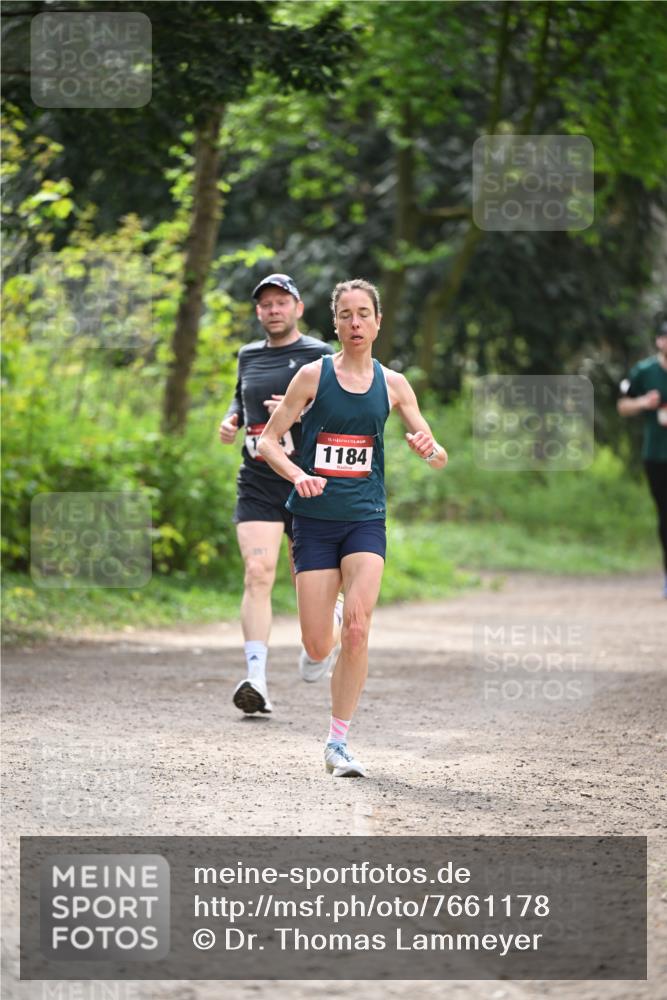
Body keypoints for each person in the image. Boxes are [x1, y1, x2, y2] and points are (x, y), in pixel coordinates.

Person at [258, 278, 448, 776]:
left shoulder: (394, 384)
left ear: (378, 322)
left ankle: (337, 744)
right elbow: (269, 443)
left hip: (365, 518)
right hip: (314, 523)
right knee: (320, 644)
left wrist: (431, 450)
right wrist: (299, 475)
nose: (355, 322)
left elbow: (433, 445)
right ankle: (329, 624)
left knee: (360, 629)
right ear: (335, 323)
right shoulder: (311, 377)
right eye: (346, 314)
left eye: (364, 313)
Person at [219, 273, 337, 716]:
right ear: (258, 312)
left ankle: (322, 641)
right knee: (257, 570)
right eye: (265, 304)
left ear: (298, 308)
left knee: (312, 587)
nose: (273, 310)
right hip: (258, 481)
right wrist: (232, 419)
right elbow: (239, 399)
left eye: (281, 302)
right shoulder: (247, 355)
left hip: (308, 482)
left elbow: (338, 411)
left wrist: (298, 410)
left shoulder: (320, 354)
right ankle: (257, 678)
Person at [617, 315, 667, 597]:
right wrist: (643, 403)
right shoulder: (644, 371)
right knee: (665, 515)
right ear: (659, 341)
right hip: (657, 454)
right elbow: (622, 405)